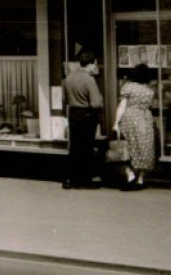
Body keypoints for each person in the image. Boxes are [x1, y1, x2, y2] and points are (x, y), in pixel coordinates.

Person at [63, 50, 105, 189]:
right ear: (91, 64)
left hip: (73, 114)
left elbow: (64, 100)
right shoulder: (89, 79)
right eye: (95, 64)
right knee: (87, 147)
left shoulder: (69, 78)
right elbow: (95, 103)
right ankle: (84, 179)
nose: (95, 67)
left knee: (75, 147)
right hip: (87, 115)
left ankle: (70, 178)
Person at [113, 63, 159, 190]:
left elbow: (122, 106)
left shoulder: (128, 87)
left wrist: (116, 122)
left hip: (130, 118)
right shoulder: (149, 90)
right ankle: (140, 178)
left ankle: (130, 174)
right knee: (144, 147)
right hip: (145, 118)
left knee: (127, 146)